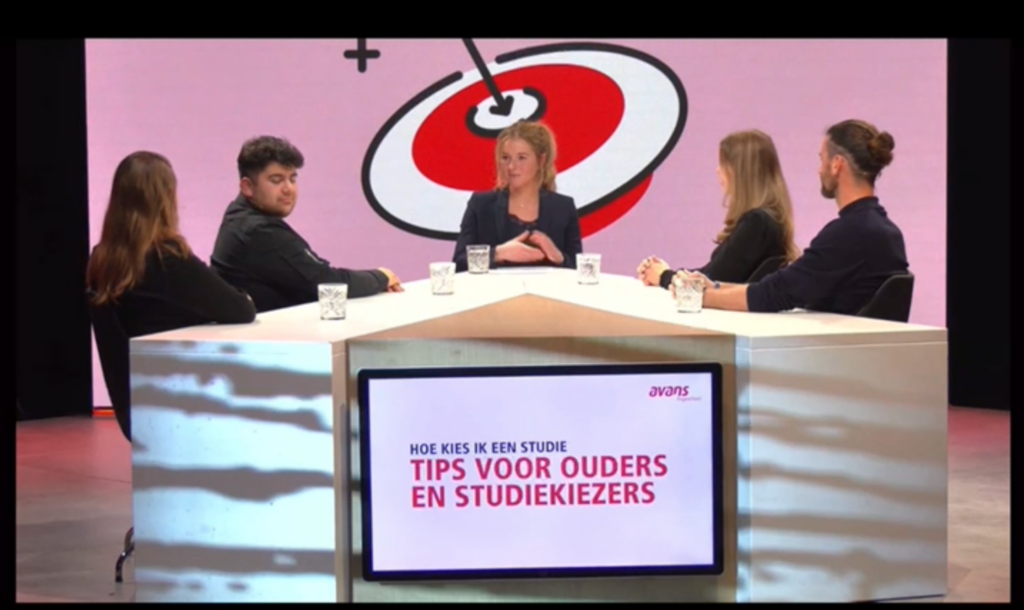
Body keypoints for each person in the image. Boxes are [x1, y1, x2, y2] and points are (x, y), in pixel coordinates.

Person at [674, 119, 909, 316]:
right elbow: (780, 287)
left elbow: (775, 294)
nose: (819, 170)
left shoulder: (849, 234)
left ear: (836, 165)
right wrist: (715, 287)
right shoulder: (885, 232)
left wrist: (701, 296)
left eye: (821, 160)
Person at [211, 136, 402, 312]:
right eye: (276, 180)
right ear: (247, 187)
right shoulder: (258, 230)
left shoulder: (240, 216)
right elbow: (326, 284)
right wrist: (381, 277)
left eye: (292, 179)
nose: (288, 189)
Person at [86, 151, 256, 338]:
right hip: (170, 357)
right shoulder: (168, 258)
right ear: (165, 200)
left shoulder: (100, 258)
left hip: (132, 358)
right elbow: (242, 309)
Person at [638, 129, 800, 288]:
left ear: (739, 172)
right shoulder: (767, 221)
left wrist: (664, 276)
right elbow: (711, 275)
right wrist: (666, 273)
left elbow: (709, 285)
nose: (717, 170)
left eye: (723, 164)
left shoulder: (757, 223)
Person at [451, 120, 583, 272]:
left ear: (541, 160)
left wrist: (559, 257)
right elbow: (459, 264)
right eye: (505, 158)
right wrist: (498, 253)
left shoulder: (563, 208)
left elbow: (579, 270)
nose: (511, 166)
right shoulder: (481, 205)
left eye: (522, 157)